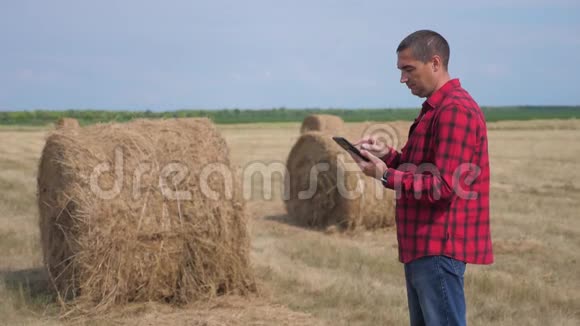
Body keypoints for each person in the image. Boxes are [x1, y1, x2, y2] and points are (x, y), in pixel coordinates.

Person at [349, 30, 494, 326]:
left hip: (439, 246)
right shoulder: (435, 109)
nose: (403, 78)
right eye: (401, 70)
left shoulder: (455, 111)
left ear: (435, 63)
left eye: (408, 69)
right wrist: (387, 155)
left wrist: (386, 175)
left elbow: (444, 186)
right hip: (422, 245)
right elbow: (421, 169)